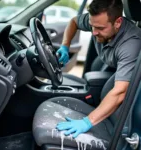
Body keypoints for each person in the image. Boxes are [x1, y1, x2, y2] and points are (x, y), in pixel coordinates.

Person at [56, 0, 141, 138]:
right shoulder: (97, 21)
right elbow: (74, 22)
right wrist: (65, 45)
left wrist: (87, 122)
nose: (94, 32)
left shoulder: (131, 43)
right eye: (91, 26)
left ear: (118, 22)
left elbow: (120, 92)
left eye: (100, 29)